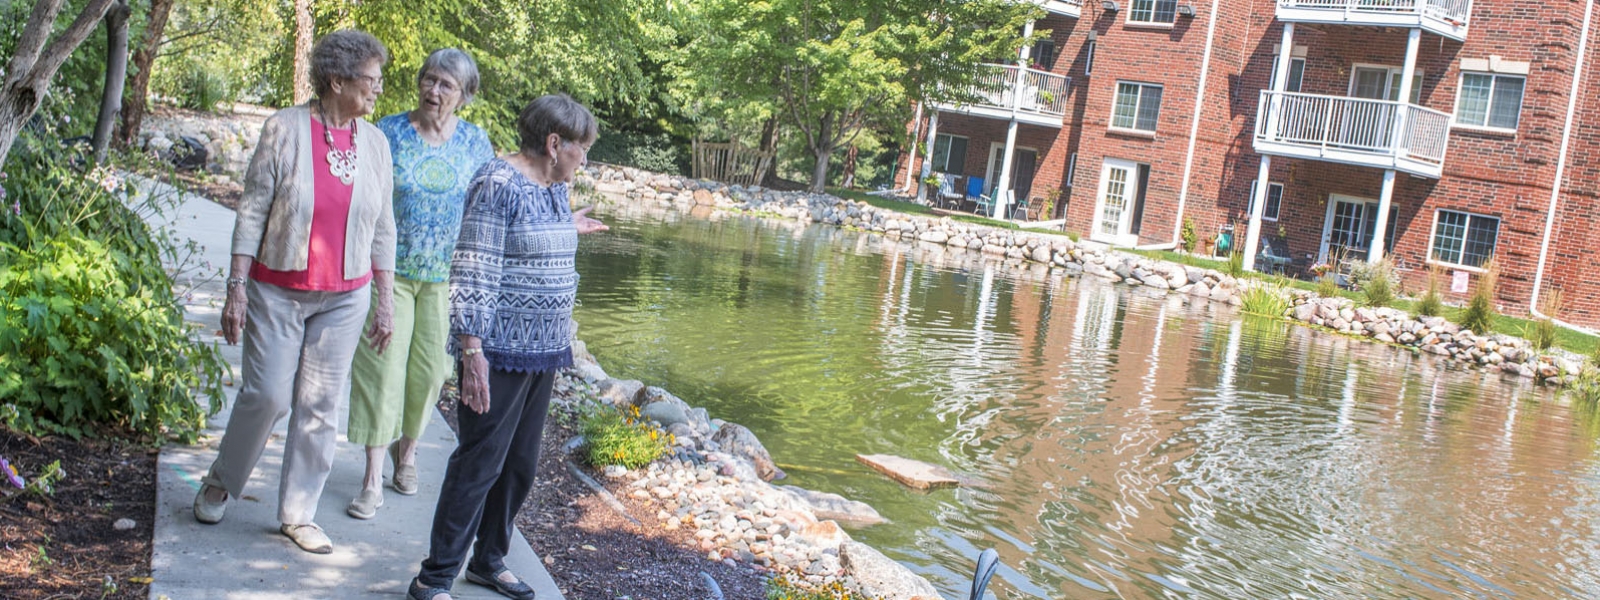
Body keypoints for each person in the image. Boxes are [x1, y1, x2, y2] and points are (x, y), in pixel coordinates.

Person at [192, 29, 397, 556]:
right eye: (370, 80)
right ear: (337, 80)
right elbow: (253, 208)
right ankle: (222, 478)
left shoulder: (374, 143)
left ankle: (299, 513)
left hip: (345, 296)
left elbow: (383, 229)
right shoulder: (283, 128)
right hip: (278, 289)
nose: (378, 89)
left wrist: (385, 299)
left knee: (321, 404)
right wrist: (236, 287)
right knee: (267, 396)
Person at [407, 94, 606, 600]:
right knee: (480, 464)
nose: (584, 159)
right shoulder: (497, 182)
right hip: (496, 351)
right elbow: (474, 268)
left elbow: (532, 242)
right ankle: (433, 578)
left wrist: (569, 227)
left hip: (544, 349)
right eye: (581, 149)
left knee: (520, 465)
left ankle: (489, 560)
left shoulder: (555, 187)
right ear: (554, 143)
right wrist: (472, 353)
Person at [345, 48, 495, 520]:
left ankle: (405, 452)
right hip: (386, 272)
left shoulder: (475, 142)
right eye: (429, 80)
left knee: (431, 373)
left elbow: (491, 206)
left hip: (444, 280)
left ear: (465, 96)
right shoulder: (386, 132)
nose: (433, 91)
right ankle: (371, 478)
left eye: (445, 85)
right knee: (381, 369)